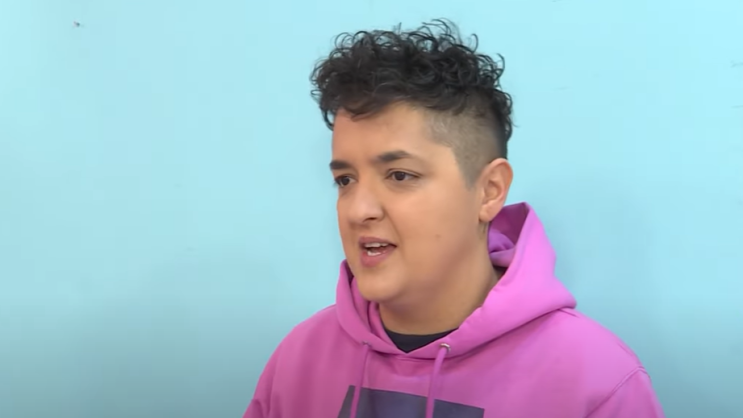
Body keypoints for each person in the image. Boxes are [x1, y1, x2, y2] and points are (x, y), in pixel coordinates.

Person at [243, 19, 665, 418]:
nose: (358, 210)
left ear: (489, 191)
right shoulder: (300, 358)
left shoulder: (596, 381)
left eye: (399, 175)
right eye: (345, 180)